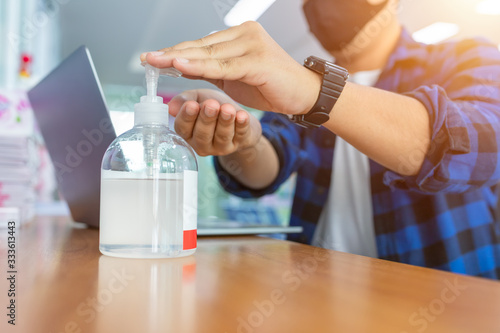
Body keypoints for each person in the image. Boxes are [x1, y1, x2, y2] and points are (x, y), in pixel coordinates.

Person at [140, 0, 500, 279]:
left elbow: (484, 145)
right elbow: (266, 167)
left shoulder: (465, 56)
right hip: (317, 287)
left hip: (432, 301)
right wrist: (243, 139)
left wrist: (315, 91)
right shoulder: (297, 85)